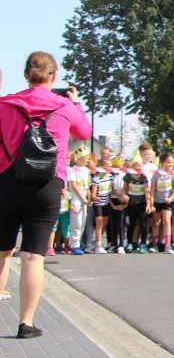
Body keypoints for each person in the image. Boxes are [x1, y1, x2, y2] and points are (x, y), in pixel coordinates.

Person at [0, 51, 91, 338]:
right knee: (33, 257)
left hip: (7, 181)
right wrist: (74, 102)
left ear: (26, 75)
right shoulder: (64, 106)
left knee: (2, 251)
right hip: (47, 185)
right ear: (54, 76)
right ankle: (26, 323)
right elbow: (85, 131)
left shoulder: (5, 105)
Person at [150, 153, 174, 253]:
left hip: (167, 201)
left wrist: (171, 198)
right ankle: (155, 244)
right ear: (162, 162)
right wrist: (151, 203)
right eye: (168, 162)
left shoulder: (173, 174)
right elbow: (152, 190)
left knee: (166, 221)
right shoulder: (156, 174)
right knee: (156, 223)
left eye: (171, 163)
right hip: (157, 201)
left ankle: (167, 245)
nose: (170, 165)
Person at [67, 148, 91, 255]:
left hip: (84, 199)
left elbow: (87, 186)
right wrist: (83, 198)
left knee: (83, 223)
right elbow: (74, 185)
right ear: (80, 158)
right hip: (76, 199)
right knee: (76, 222)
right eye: (86, 158)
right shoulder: (73, 170)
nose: (87, 160)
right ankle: (74, 245)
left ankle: (77, 243)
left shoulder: (86, 170)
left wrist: (89, 197)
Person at [124, 163, 152, 252]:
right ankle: (129, 243)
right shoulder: (128, 176)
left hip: (142, 203)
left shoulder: (143, 177)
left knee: (143, 224)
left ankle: (143, 243)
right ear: (132, 166)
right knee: (131, 223)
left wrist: (148, 205)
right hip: (131, 203)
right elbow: (125, 187)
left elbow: (147, 192)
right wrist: (124, 194)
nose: (138, 167)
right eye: (136, 165)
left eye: (140, 166)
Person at [89, 157, 112, 254]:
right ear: (102, 167)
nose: (109, 168)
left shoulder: (110, 177)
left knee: (105, 222)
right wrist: (95, 197)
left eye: (110, 166)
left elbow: (112, 189)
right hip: (98, 203)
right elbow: (93, 194)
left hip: (106, 203)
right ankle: (98, 245)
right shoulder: (96, 179)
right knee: (99, 222)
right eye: (107, 166)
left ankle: (97, 241)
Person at [108, 156, 128, 254]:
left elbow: (126, 188)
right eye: (114, 166)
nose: (116, 168)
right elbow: (109, 191)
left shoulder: (124, 175)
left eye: (118, 165)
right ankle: (113, 243)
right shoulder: (110, 176)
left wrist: (124, 203)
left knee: (120, 224)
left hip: (122, 200)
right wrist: (112, 205)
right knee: (113, 224)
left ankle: (121, 245)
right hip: (113, 200)